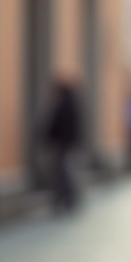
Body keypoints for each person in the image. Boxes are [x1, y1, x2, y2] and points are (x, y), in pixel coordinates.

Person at [45, 77, 82, 213]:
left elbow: (58, 124)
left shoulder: (65, 105)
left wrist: (49, 137)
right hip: (67, 143)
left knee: (63, 173)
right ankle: (67, 199)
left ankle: (66, 199)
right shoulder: (72, 103)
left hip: (63, 143)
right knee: (66, 172)